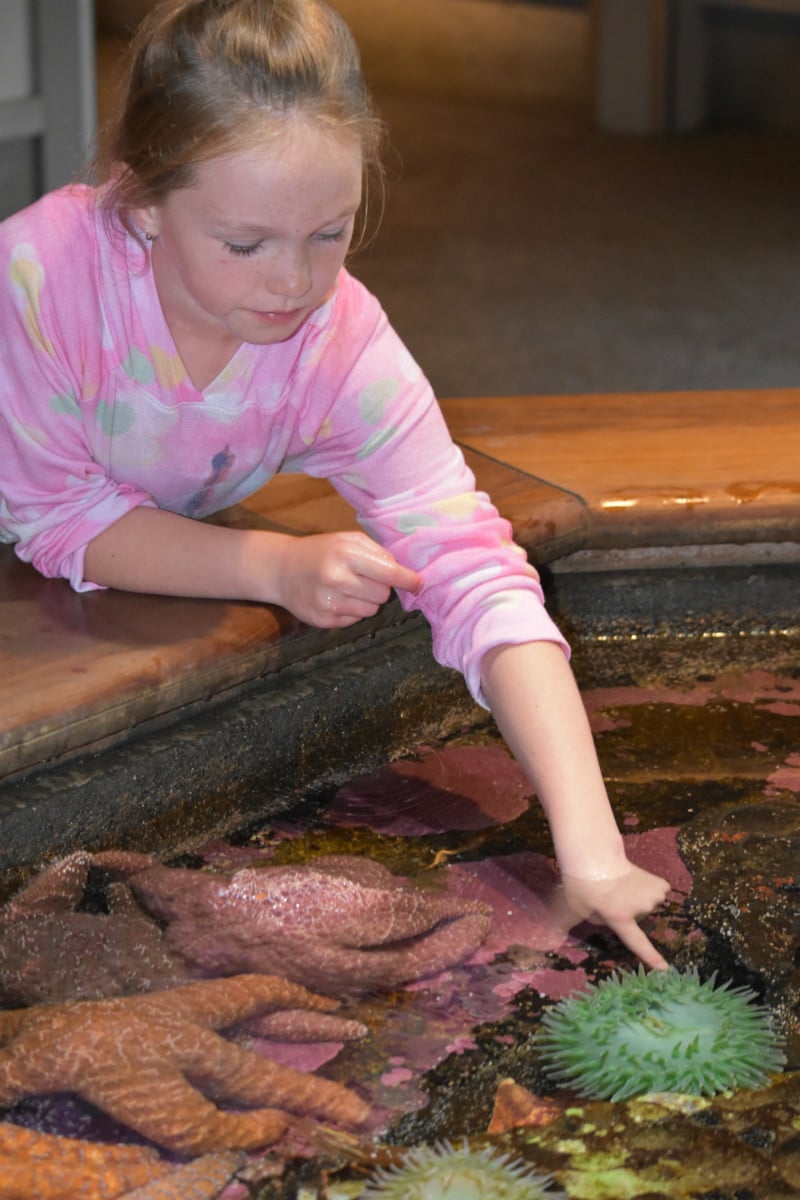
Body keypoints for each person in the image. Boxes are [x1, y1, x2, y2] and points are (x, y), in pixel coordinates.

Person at [0, 0, 670, 967]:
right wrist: (271, 565)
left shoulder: (339, 342)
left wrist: (592, 849)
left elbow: (473, 567)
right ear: (141, 199)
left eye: (330, 232)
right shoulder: (37, 277)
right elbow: (58, 517)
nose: (294, 282)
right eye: (246, 244)